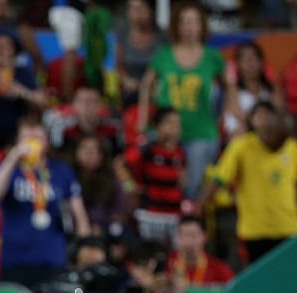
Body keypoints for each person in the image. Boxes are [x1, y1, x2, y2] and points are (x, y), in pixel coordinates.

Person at [0, 118, 91, 288]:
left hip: (53, 259)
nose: (32, 143)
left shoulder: (62, 171)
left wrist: (82, 253)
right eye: (27, 138)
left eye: (37, 137)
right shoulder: (7, 170)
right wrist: (13, 157)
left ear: (47, 142)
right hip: (15, 260)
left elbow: (80, 218)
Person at [194, 101, 297, 264]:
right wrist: (199, 206)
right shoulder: (241, 146)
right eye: (259, 115)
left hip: (289, 227)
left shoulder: (291, 147)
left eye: (268, 115)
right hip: (254, 230)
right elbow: (220, 178)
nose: (264, 120)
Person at [138, 2, 226, 199]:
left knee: (192, 189)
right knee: (159, 184)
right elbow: (146, 85)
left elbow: (230, 87)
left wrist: (225, 117)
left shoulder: (213, 57)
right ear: (176, 26)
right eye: (184, 22)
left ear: (202, 26)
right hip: (165, 133)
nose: (189, 27)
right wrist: (143, 119)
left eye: (194, 22)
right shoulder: (164, 55)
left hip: (201, 134)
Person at [126, 107, 186, 242]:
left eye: (177, 124)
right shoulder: (147, 149)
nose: (174, 128)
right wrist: (130, 186)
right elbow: (122, 164)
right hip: (150, 214)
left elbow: (182, 182)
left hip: (173, 215)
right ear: (158, 126)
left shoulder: (181, 153)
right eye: (169, 123)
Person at [223, 41, 283, 139]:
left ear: (261, 62)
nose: (249, 64)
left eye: (253, 59)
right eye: (244, 59)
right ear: (237, 64)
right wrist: (257, 124)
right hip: (241, 137)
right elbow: (238, 114)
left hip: (267, 136)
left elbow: (277, 113)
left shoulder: (273, 89)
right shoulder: (232, 90)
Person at [74, 135, 129, 238]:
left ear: (102, 155)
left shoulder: (112, 181)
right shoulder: (68, 178)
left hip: (106, 232)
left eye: (95, 150)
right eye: (85, 149)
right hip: (75, 231)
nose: (90, 153)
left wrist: (103, 229)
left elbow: (120, 211)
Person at [115, 0, 164, 108]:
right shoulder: (123, 32)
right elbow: (119, 65)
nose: (134, 14)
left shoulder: (162, 37)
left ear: (151, 11)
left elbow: (165, 69)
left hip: (155, 93)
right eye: (131, 9)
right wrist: (126, 80)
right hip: (129, 92)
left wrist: (150, 87)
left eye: (139, 9)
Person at [168, 215, 234, 286]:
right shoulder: (167, 266)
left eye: (193, 235)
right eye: (182, 236)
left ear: (205, 237)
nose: (187, 241)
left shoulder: (221, 271)